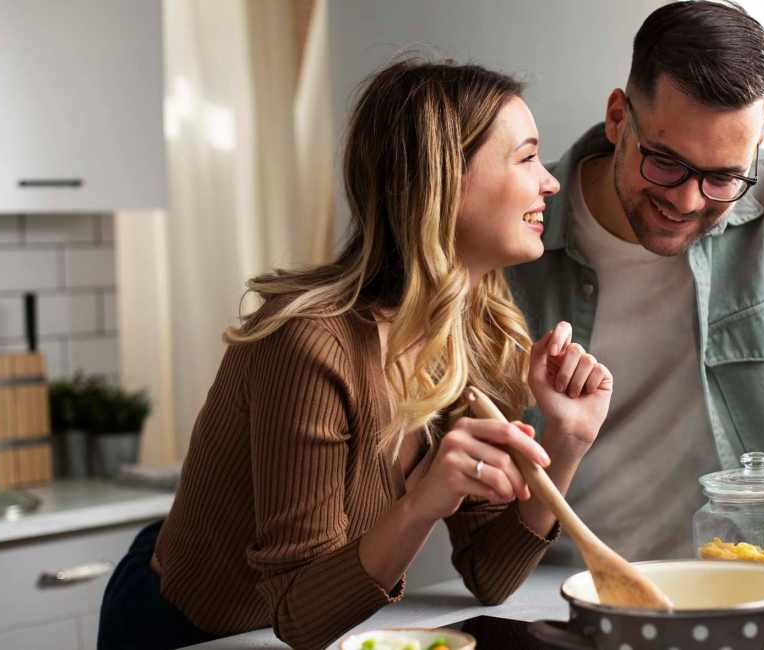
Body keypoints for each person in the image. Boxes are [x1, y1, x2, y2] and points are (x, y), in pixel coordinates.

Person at [98, 59, 614, 650]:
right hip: (185, 632)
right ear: (443, 180)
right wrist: (423, 502)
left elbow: (490, 577)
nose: (549, 181)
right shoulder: (308, 344)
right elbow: (299, 617)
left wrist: (565, 443)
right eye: (526, 157)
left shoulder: (476, 333)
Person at [506, 0, 764, 565]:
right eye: (664, 162)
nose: (686, 201)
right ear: (617, 118)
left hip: (745, 575)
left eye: (724, 176)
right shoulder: (520, 222)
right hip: (561, 585)